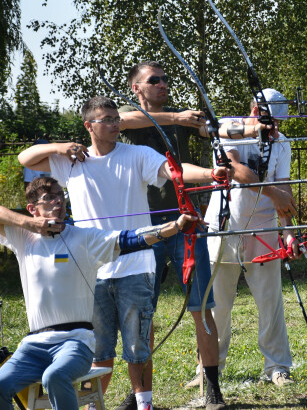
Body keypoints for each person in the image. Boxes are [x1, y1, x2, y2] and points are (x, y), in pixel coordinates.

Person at [17, 96, 231, 410]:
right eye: (107, 119)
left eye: (117, 118)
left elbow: (174, 170)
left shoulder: (137, 154)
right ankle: (91, 404)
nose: (116, 124)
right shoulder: (72, 160)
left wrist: (211, 174)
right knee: (98, 349)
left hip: (136, 265)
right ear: (89, 126)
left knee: (137, 345)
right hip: (92, 270)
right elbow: (26, 158)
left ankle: (144, 404)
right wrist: (59, 146)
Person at [118, 60, 273, 410]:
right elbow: (125, 122)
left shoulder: (182, 119)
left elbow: (215, 131)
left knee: (201, 308)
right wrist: (177, 119)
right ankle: (140, 393)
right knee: (142, 314)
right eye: (152, 80)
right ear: (136, 88)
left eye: (165, 80)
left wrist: (254, 128)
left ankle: (212, 388)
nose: (162, 84)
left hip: (186, 223)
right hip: (144, 230)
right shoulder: (126, 116)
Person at [0, 176, 198, 410]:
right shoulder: (23, 239)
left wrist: (174, 227)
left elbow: (131, 239)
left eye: (60, 195)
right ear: (32, 208)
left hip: (74, 343)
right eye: (49, 197)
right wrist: (29, 224)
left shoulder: (83, 237)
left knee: (55, 376)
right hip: (33, 345)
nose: (58, 201)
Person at [203, 90, 300, 387]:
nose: (276, 129)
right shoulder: (231, 129)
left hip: (264, 227)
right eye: (271, 121)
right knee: (218, 303)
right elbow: (234, 170)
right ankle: (209, 369)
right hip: (224, 225)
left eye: (280, 122)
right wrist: (272, 192)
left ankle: (277, 367)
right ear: (255, 111)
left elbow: (284, 189)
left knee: (270, 301)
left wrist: (289, 231)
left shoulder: (282, 144)